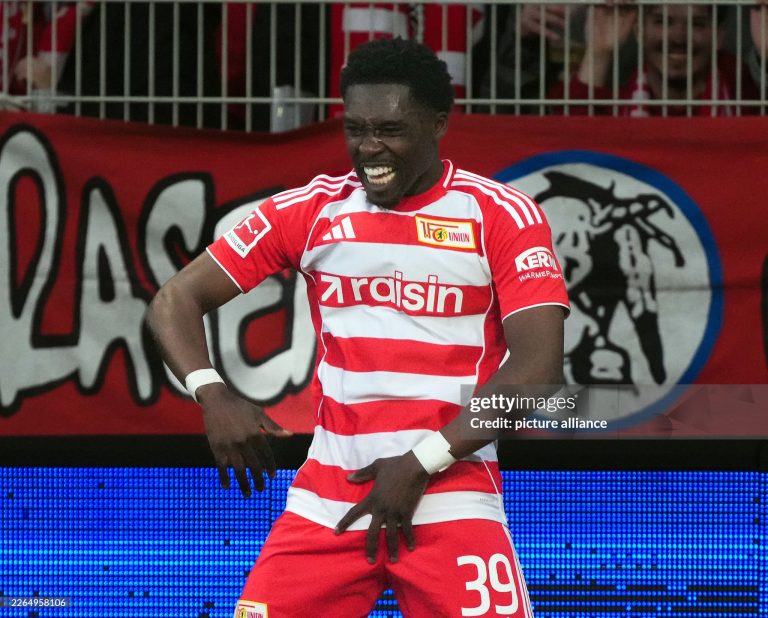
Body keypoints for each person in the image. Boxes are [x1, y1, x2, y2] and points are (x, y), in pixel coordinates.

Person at [145, 38, 568, 617]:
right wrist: (211, 392)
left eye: (391, 130)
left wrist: (420, 464)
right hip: (327, 501)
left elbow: (536, 374)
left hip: (452, 497)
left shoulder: (501, 214)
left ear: (438, 123)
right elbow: (175, 299)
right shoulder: (313, 210)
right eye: (356, 129)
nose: (370, 149)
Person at [549, 3, 766, 116]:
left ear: (719, 35)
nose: (678, 37)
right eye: (662, 22)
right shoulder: (613, 111)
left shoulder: (748, 103)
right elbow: (569, 145)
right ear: (639, 30)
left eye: (697, 24)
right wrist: (599, 53)